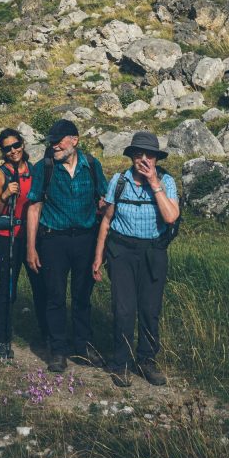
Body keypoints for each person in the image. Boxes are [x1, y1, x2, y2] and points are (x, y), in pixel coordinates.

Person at [92, 131, 179, 387]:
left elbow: (171, 217)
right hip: (121, 252)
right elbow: (106, 220)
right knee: (124, 309)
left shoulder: (167, 181)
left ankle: (147, 361)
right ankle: (121, 363)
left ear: (156, 157)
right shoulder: (119, 181)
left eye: (149, 154)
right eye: (138, 153)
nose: (144, 159)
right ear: (131, 156)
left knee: (150, 310)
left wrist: (154, 182)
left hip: (154, 251)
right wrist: (98, 257)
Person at [25, 119, 108, 373]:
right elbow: (34, 206)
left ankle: (83, 345)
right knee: (55, 296)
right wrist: (31, 248)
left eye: (59, 140)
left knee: (83, 296)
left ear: (75, 140)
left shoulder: (92, 165)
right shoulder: (44, 168)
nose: (54, 145)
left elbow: (104, 201)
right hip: (53, 240)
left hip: (85, 239)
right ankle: (58, 349)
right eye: (52, 141)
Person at [0, 128, 49, 359]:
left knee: (40, 287)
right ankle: (1, 339)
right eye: (7, 148)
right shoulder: (0, 175)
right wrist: (4, 196)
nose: (13, 151)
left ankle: (47, 335)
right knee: (8, 288)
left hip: (32, 238)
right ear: (3, 151)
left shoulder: (34, 171)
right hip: (8, 239)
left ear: (22, 144)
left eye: (16, 145)